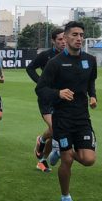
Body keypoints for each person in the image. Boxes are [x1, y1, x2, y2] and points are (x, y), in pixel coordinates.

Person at [35, 21, 97, 201]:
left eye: (81, 35)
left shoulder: (90, 60)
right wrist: (58, 94)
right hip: (62, 118)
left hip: (82, 118)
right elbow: (40, 89)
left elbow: (90, 83)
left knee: (88, 160)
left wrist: (93, 96)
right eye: (75, 35)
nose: (79, 38)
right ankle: (65, 198)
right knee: (67, 160)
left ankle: (59, 151)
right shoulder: (55, 63)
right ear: (66, 37)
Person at [26, 28, 65, 172]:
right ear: (53, 41)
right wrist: (40, 82)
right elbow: (30, 68)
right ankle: (45, 143)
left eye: (64, 39)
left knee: (54, 129)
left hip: (62, 99)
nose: (63, 42)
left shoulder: (70, 56)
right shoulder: (46, 55)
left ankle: (42, 157)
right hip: (46, 98)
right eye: (60, 39)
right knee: (55, 128)